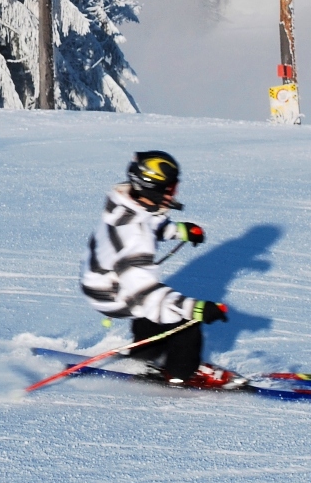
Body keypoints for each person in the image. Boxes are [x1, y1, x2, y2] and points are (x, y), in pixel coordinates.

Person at [80, 149, 230, 386]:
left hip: (100, 278)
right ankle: (182, 373)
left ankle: (145, 356)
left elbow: (149, 219)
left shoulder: (126, 203)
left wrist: (178, 230)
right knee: (184, 321)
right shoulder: (136, 236)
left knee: (158, 309)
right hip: (111, 292)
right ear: (153, 187)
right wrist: (196, 309)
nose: (174, 193)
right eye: (170, 188)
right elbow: (145, 293)